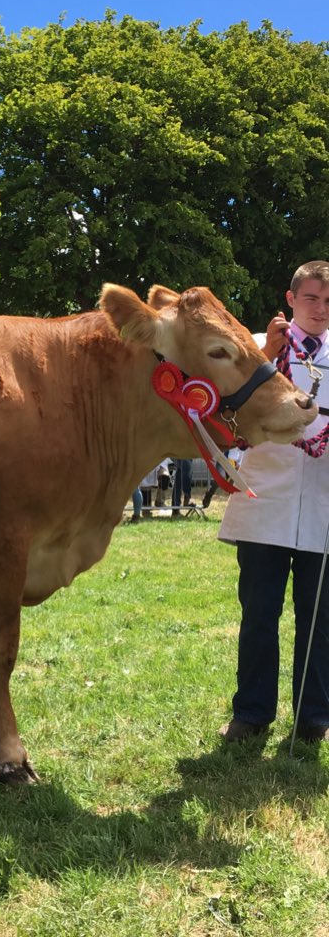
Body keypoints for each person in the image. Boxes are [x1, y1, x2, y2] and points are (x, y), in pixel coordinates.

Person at [217, 260, 329, 743]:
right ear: (290, 300)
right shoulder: (260, 355)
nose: (321, 309)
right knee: (259, 614)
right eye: (311, 298)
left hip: (323, 504)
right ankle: (252, 713)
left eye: (328, 301)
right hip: (266, 499)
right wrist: (269, 351)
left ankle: (314, 717)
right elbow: (226, 412)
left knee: (320, 619)